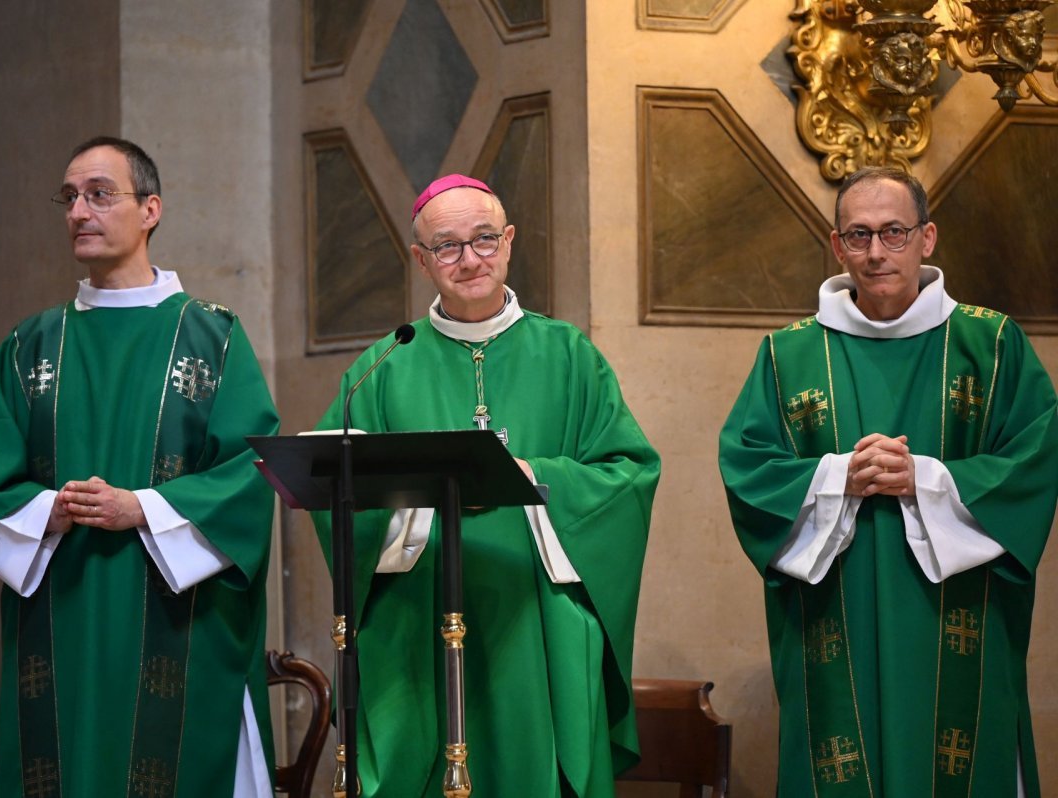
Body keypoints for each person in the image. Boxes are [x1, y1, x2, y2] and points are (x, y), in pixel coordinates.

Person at [312, 174, 661, 796]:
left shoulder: (569, 355)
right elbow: (331, 484)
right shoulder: (384, 366)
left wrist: (537, 478)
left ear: (509, 242)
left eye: (483, 239)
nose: (469, 259)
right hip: (414, 618)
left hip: (534, 617)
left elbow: (628, 473)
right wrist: (415, 496)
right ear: (421, 261)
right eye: (446, 246)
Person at [719, 166, 1058, 797]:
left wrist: (925, 480)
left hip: (959, 618)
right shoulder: (786, 356)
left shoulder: (991, 344)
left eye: (894, 232)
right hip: (834, 617)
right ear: (836, 245)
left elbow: (1034, 463)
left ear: (928, 238)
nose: (876, 252)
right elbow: (748, 469)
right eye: (859, 235)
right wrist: (837, 477)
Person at [0, 137, 279, 797]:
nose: (79, 211)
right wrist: (48, 509)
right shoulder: (29, 345)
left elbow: (251, 473)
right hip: (64, 619)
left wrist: (143, 509)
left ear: (150, 209)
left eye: (100, 194)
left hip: (179, 623)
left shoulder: (211, 338)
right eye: (69, 197)